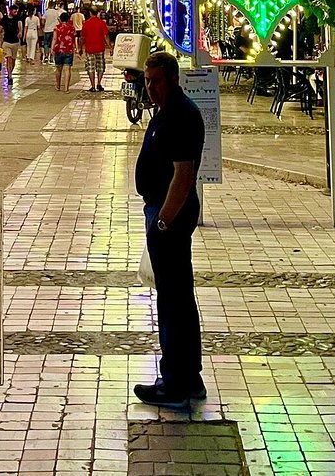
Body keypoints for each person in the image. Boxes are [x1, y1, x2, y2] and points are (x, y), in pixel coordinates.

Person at [133, 51, 205, 409]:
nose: (150, 88)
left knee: (173, 301)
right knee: (177, 296)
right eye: (147, 81)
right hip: (163, 212)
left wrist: (163, 220)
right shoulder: (166, 113)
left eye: (156, 81)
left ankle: (176, 381)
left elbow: (184, 174)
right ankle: (188, 376)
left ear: (173, 79)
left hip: (170, 217)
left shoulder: (180, 115)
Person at [80, 8, 110, 93]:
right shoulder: (102, 23)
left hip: (89, 49)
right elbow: (106, 36)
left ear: (90, 13)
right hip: (100, 48)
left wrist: (80, 47)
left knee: (91, 67)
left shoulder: (86, 23)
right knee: (100, 66)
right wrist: (110, 47)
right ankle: (99, 83)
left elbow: (82, 37)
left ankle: (92, 85)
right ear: (97, 13)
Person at [52, 12, 76, 91]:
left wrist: (52, 48)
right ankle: (66, 88)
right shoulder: (72, 28)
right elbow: (73, 39)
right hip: (69, 50)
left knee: (58, 68)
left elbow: (55, 39)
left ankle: (58, 86)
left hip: (59, 49)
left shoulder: (57, 27)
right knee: (67, 69)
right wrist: (76, 48)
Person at [0, 5, 22, 85]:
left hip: (15, 42)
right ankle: (10, 76)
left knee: (13, 60)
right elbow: (0, 29)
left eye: (16, 11)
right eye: (14, 11)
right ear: (10, 10)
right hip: (6, 42)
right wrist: (0, 40)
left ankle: (10, 73)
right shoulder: (4, 19)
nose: (15, 13)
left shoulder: (18, 19)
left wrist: (20, 33)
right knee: (8, 59)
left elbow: (20, 28)